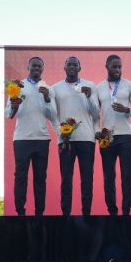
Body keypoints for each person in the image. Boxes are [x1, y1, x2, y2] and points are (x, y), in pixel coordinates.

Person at [5, 56, 57, 216]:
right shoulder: (17, 86)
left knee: (40, 178)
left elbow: (53, 115)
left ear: (43, 69)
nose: (36, 69)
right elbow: (8, 114)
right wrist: (14, 106)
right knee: (21, 176)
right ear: (28, 67)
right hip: (22, 139)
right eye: (33, 66)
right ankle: (20, 212)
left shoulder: (48, 88)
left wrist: (47, 98)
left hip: (42, 139)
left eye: (39, 67)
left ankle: (39, 213)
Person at [50, 56, 99, 216]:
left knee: (87, 179)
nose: (72, 67)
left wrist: (90, 96)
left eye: (75, 65)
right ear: (64, 68)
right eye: (69, 65)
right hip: (66, 141)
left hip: (86, 139)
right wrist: (60, 132)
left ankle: (87, 214)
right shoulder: (55, 88)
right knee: (66, 179)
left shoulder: (90, 86)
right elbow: (53, 115)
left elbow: (97, 114)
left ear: (80, 68)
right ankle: (66, 214)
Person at [95, 54, 131, 215]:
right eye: (114, 66)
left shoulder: (130, 85)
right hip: (107, 137)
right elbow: (94, 114)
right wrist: (96, 131)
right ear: (106, 67)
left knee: (127, 174)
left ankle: (126, 209)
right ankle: (112, 210)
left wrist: (127, 110)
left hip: (125, 136)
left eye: (120, 67)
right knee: (109, 175)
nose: (117, 70)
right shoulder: (99, 87)